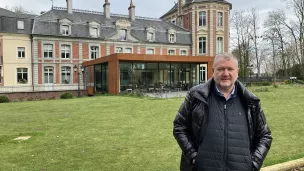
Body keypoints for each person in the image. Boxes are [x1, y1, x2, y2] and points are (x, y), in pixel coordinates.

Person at [173, 53, 272, 171]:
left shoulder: (250, 101)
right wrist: (193, 156)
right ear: (213, 70)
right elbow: (179, 126)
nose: (226, 73)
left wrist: (254, 163)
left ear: (237, 71)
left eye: (230, 69)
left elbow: (265, 135)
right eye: (220, 69)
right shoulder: (196, 96)